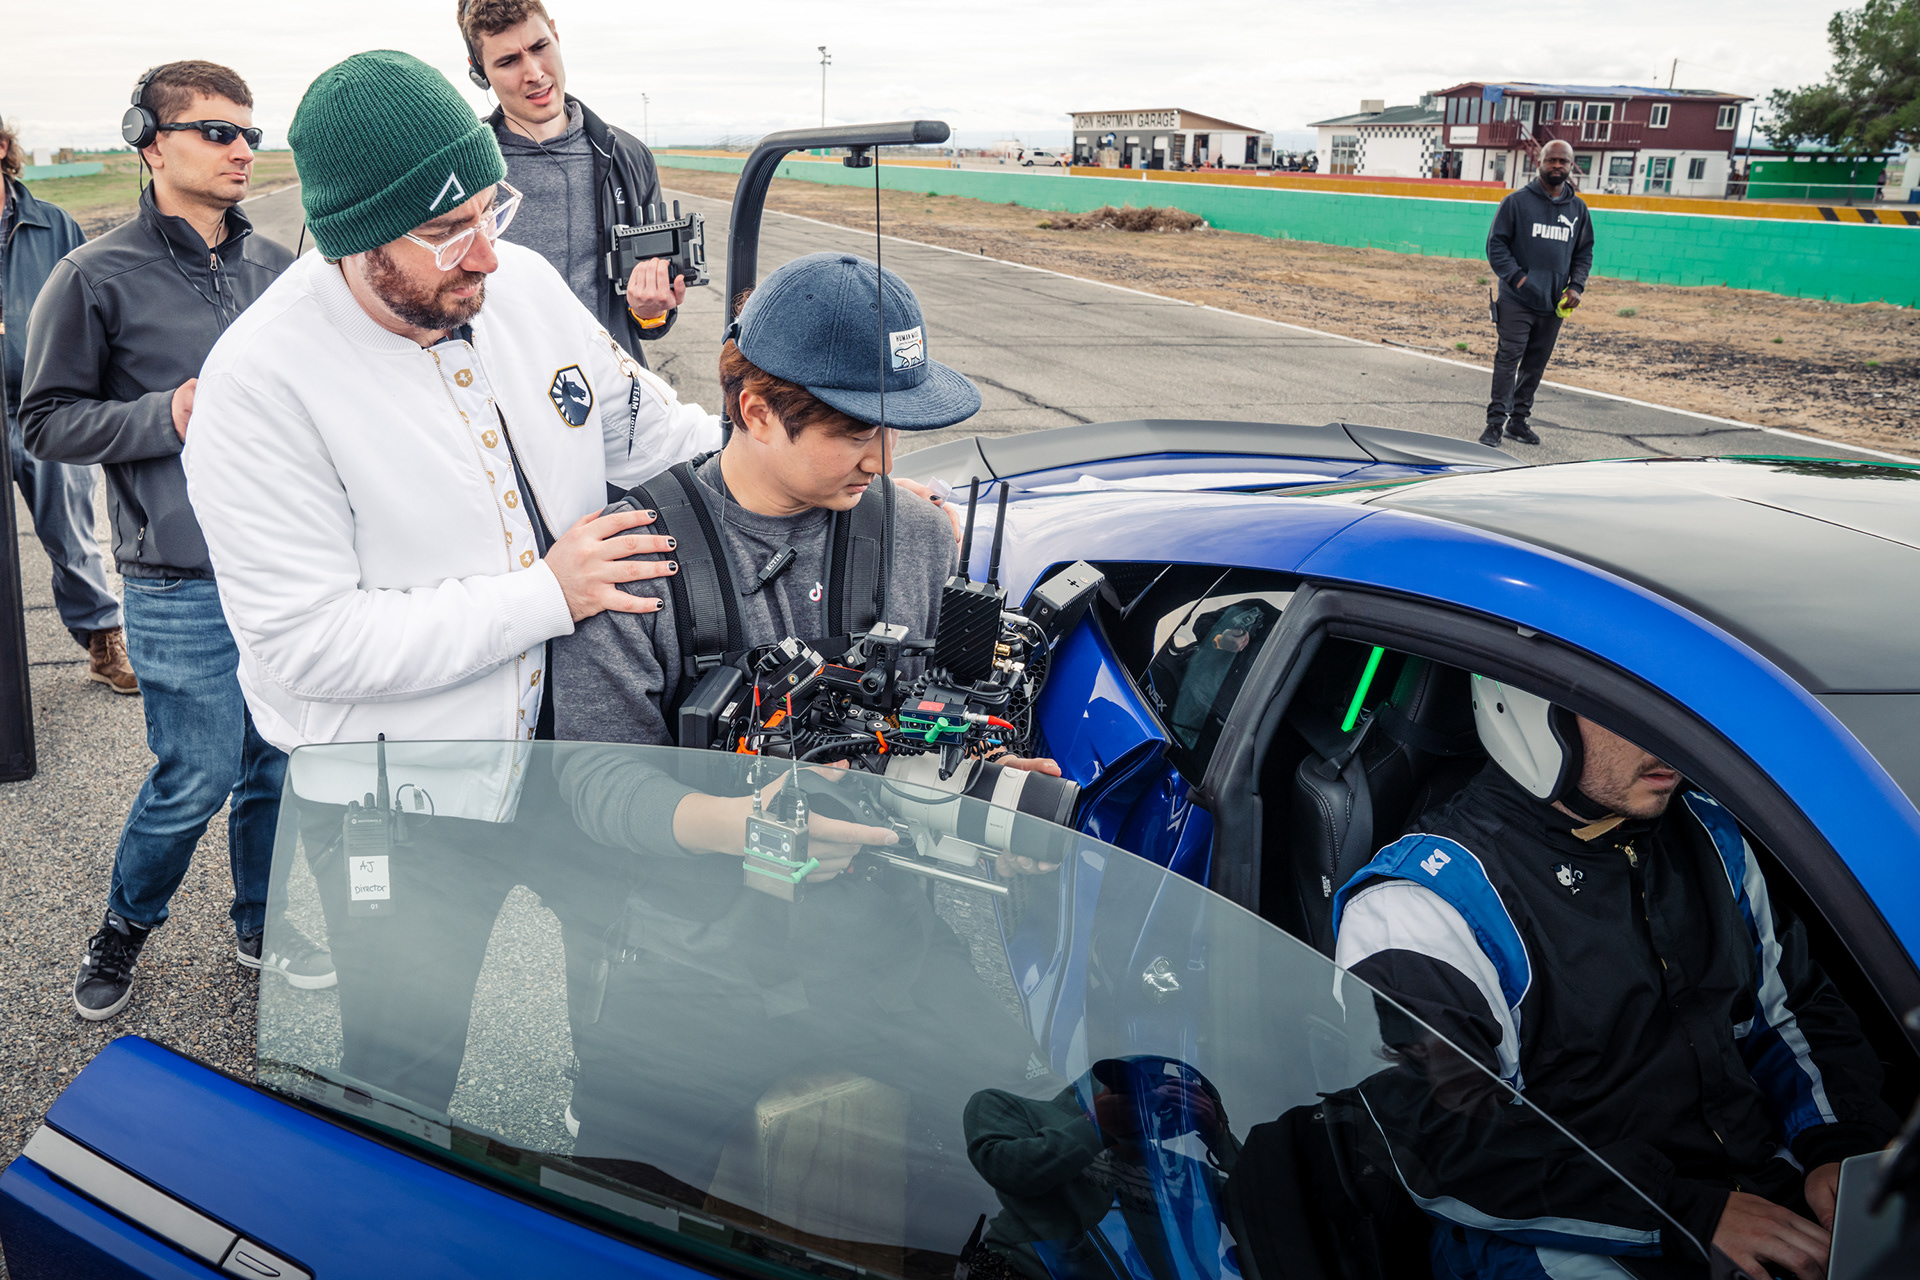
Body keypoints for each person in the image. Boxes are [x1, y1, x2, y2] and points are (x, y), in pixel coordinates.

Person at [179, 50, 720, 1110]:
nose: (485, 254)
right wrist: (545, 595)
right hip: (401, 805)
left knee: (631, 1028)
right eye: (442, 232)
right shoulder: (260, 386)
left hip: (575, 755)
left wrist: (786, 472)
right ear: (349, 237)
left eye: (490, 208)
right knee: (406, 1070)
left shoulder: (519, 285)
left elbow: (647, 428)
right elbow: (306, 642)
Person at [550, 252, 1064, 1230]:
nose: (883, 458)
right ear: (754, 410)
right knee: (620, 1209)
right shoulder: (636, 554)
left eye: (896, 429)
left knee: (1016, 1157)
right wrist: (741, 826)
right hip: (685, 964)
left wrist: (985, 775)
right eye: (854, 431)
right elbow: (589, 781)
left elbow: (925, 718)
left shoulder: (917, 535)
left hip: (886, 945)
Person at [1332, 678, 1900, 1280]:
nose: (1667, 737)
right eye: (1623, 709)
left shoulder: (1710, 834)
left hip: (1756, 1188)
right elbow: (1442, 1145)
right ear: (1526, 711)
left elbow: (1788, 1012)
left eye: (1672, 701)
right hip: (1557, 1232)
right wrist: (1687, 1215)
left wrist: (1837, 1145)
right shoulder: (1420, 906)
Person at [20, 62, 302, 1020]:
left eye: (250, 134)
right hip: (176, 578)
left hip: (285, 572)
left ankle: (261, 915)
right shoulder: (91, 275)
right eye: (218, 131)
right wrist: (165, 416)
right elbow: (46, 423)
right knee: (199, 775)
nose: (242, 150)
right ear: (151, 141)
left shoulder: (280, 270)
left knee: (280, 762)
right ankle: (124, 927)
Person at [457, 0, 681, 364]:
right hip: (503, 396)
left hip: (613, 390)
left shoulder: (628, 156)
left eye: (540, 47)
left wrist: (650, 309)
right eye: (509, 61)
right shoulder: (464, 167)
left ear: (556, 36)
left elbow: (650, 320)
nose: (533, 73)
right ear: (479, 72)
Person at [0, 114, 130, 693]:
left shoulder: (53, 225)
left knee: (72, 530)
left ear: (3, 147)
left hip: (42, 406)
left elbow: (89, 312)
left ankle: (103, 637)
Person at [1480, 139, 1592, 449]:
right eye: (1551, 160)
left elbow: (1583, 253)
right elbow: (1496, 246)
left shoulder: (1578, 209)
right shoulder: (1516, 202)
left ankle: (1518, 422)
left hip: (1553, 304)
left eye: (1564, 162)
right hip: (1517, 300)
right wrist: (1518, 279)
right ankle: (1494, 424)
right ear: (1539, 163)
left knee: (1534, 364)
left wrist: (1576, 287)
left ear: (1571, 167)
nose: (1557, 166)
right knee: (1508, 359)